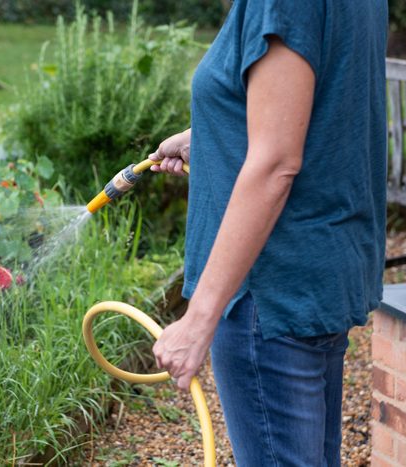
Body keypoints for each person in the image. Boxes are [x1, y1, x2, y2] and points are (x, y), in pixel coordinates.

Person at [149, 1, 388, 466]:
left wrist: (198, 320)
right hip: (320, 268)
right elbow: (327, 101)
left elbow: (277, 163)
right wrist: (219, 132)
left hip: (268, 292)